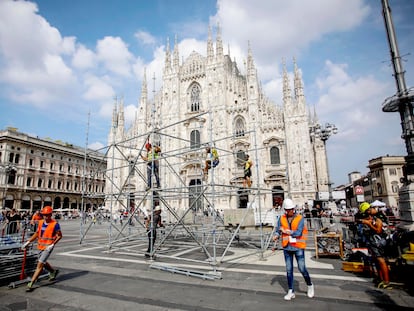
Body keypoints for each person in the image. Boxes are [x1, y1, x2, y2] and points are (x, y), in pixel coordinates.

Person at [272, 198, 314, 300]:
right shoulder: (281, 218)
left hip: (298, 247)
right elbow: (278, 230)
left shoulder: (300, 218)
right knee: (289, 270)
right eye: (287, 210)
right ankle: (291, 291)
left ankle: (310, 285)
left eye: (290, 209)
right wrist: (276, 235)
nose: (289, 211)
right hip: (287, 247)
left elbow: (298, 233)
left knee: (302, 268)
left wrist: (286, 231)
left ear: (293, 209)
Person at [21, 206, 62, 292]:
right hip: (40, 246)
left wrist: (52, 244)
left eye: (47, 215)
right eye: (44, 215)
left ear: (51, 215)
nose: (45, 217)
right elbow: (37, 233)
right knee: (42, 262)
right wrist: (28, 242)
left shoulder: (55, 224)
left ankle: (31, 282)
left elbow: (60, 236)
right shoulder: (40, 222)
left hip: (48, 247)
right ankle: (53, 272)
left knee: (39, 264)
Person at [358, 202, 392, 289]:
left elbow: (378, 231)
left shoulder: (378, 216)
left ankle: (386, 282)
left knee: (381, 261)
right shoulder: (375, 217)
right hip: (375, 242)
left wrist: (368, 224)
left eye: (367, 212)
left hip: (379, 242)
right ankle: (381, 279)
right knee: (377, 260)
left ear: (368, 210)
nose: (367, 214)